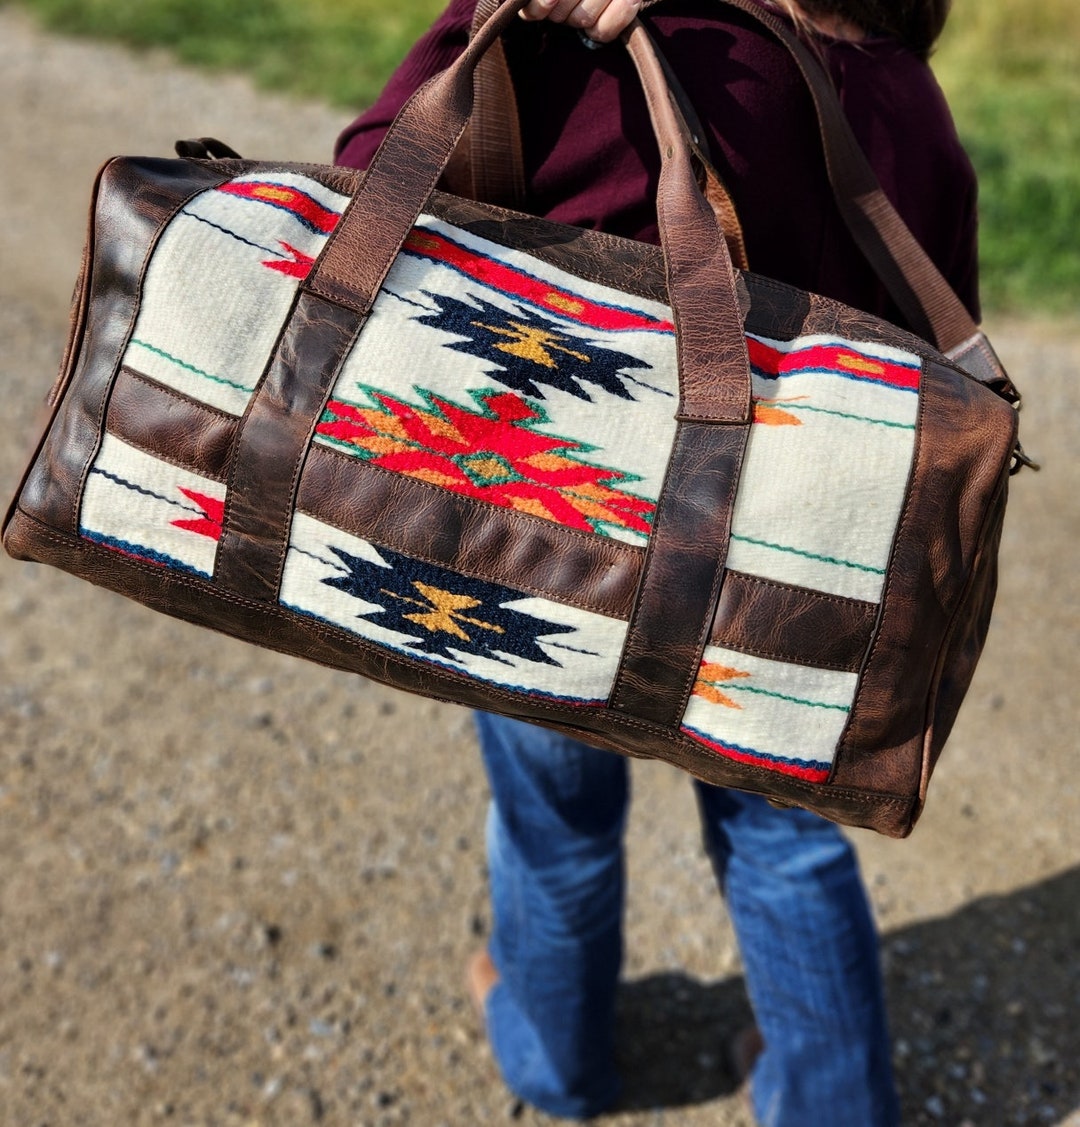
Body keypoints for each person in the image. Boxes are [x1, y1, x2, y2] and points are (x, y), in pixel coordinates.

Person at [335, 0, 978, 1122]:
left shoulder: (616, 35)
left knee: (556, 824)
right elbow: (941, 354)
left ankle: (556, 1062)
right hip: (788, 574)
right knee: (786, 844)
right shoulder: (909, 102)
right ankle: (831, 1100)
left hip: (546, 535)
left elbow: (370, 180)